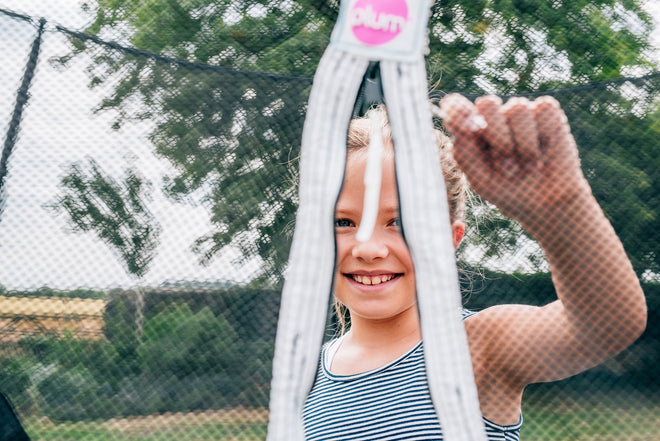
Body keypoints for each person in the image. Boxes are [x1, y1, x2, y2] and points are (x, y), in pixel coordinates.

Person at [301, 94, 647, 440]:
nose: (369, 249)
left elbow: (609, 322)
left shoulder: (477, 348)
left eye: (401, 222)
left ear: (449, 240)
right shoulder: (305, 374)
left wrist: (562, 205)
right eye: (343, 222)